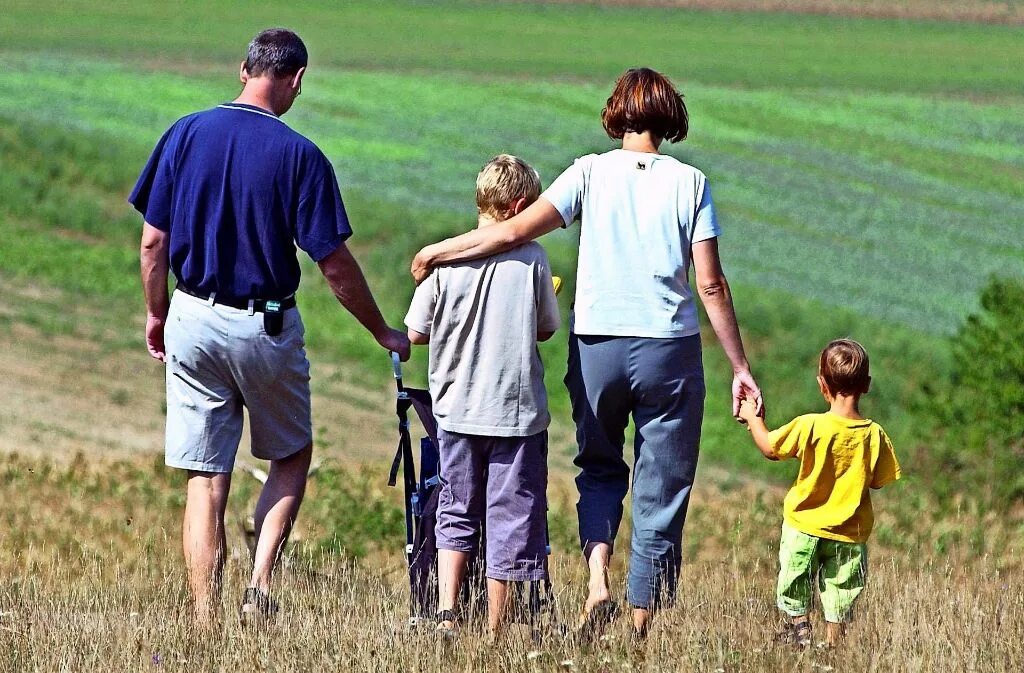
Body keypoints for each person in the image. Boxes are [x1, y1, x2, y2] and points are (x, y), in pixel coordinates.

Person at [410, 68, 762, 638]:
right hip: (667, 348)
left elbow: (509, 233)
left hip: (596, 343)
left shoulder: (588, 173)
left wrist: (436, 252)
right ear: (670, 118)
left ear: (617, 114)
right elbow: (711, 284)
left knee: (598, 466)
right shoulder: (691, 184)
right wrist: (741, 367)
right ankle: (642, 617)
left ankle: (598, 579)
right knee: (662, 483)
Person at [130, 28, 410, 625]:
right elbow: (334, 265)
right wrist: (381, 331)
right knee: (291, 453)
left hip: (191, 315)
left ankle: (205, 614)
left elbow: (153, 244)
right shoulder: (300, 155)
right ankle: (258, 586)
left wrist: (157, 314)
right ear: (296, 80)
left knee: (206, 476)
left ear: (242, 69)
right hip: (264, 326)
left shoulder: (184, 133)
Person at [404, 155, 561, 638]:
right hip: (514, 416)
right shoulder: (532, 259)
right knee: (509, 516)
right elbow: (547, 328)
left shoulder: (444, 263)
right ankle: (496, 626)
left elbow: (414, 333)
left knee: (454, 506)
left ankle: (448, 610)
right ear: (518, 206)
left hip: (454, 409)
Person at [737, 339, 901, 647]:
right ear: (866, 385)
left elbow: (771, 449)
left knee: (795, 580)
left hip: (805, 526)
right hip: (850, 532)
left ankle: (799, 632)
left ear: (821, 385)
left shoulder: (810, 425)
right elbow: (878, 481)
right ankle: (833, 644)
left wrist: (753, 419)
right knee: (841, 590)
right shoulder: (874, 434)